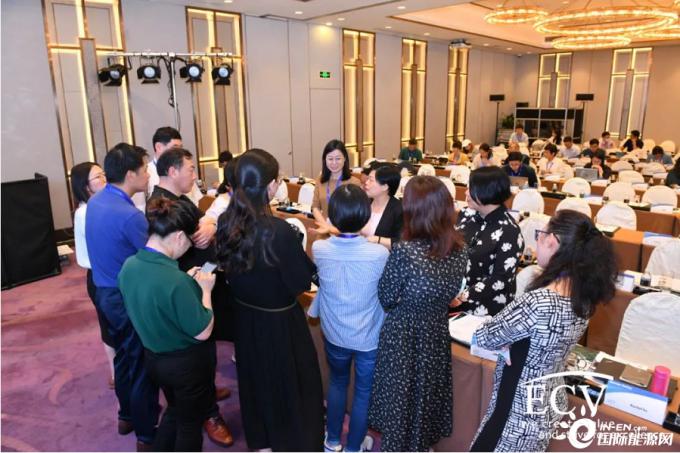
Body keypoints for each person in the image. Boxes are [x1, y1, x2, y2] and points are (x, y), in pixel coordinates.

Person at [470, 210, 617, 452]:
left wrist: (507, 342)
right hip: (546, 404)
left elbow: (484, 337)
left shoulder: (539, 302)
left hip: (516, 412)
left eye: (540, 235)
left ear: (553, 241)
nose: (536, 242)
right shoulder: (583, 297)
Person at [215, 149, 324, 451]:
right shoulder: (278, 231)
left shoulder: (226, 222)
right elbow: (300, 282)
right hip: (280, 323)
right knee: (291, 385)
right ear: (270, 185)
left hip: (245, 318)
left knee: (255, 382)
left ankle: (261, 441)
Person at [369, 176, 468, 452]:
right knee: (424, 397)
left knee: (400, 401)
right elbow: (451, 294)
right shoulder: (460, 250)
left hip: (403, 335)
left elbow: (386, 297)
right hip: (435, 332)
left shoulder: (406, 252)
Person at [146, 147, 232, 446]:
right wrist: (208, 227)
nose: (195, 174)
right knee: (199, 349)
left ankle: (205, 395)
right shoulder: (162, 205)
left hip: (198, 280)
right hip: (186, 288)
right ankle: (208, 412)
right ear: (172, 171)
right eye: (191, 168)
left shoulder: (179, 199)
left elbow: (202, 227)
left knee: (205, 355)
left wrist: (210, 224)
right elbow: (197, 237)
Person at [119, 198, 217, 451]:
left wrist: (184, 282)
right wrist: (206, 290)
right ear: (179, 237)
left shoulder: (129, 266)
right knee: (189, 425)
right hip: (185, 366)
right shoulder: (175, 281)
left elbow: (154, 296)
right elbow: (203, 331)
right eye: (190, 241)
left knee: (175, 412)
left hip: (153, 359)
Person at [85, 143, 158, 451]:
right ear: (130, 174)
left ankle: (126, 416)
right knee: (140, 365)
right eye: (144, 169)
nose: (148, 174)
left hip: (103, 293)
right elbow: (154, 257)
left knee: (124, 358)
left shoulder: (97, 201)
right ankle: (147, 435)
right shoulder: (130, 216)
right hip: (125, 298)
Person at [309, 185, 389, 453]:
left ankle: (332, 441)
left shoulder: (320, 248)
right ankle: (354, 447)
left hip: (334, 331)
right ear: (365, 216)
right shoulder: (379, 254)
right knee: (363, 392)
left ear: (332, 216)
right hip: (368, 335)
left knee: (337, 382)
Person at [70, 162, 116, 387]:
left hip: (108, 272)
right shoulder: (85, 212)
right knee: (108, 325)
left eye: (104, 174)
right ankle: (115, 373)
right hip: (99, 276)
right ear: (85, 186)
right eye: (98, 177)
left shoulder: (102, 205)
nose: (104, 179)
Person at [455, 167, 523, 316]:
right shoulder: (466, 215)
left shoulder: (509, 231)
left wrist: (461, 297)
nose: (466, 193)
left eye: (471, 189)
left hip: (485, 309)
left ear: (486, 192)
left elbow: (500, 279)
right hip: (455, 297)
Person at [147, 127, 203, 205]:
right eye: (175, 148)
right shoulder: (146, 173)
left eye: (181, 148)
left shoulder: (184, 168)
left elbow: (198, 200)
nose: (180, 152)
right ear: (158, 147)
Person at [312, 139, 362, 222]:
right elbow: (315, 207)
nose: (334, 163)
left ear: (344, 158)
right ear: (325, 159)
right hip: (324, 227)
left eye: (338, 159)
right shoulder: (320, 180)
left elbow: (357, 212)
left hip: (345, 228)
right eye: (330, 159)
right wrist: (325, 225)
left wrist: (333, 228)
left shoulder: (354, 183)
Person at [361, 165, 403, 249]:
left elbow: (402, 243)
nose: (366, 182)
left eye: (371, 180)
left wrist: (377, 240)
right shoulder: (363, 203)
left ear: (385, 187)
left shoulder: (399, 210)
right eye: (367, 179)